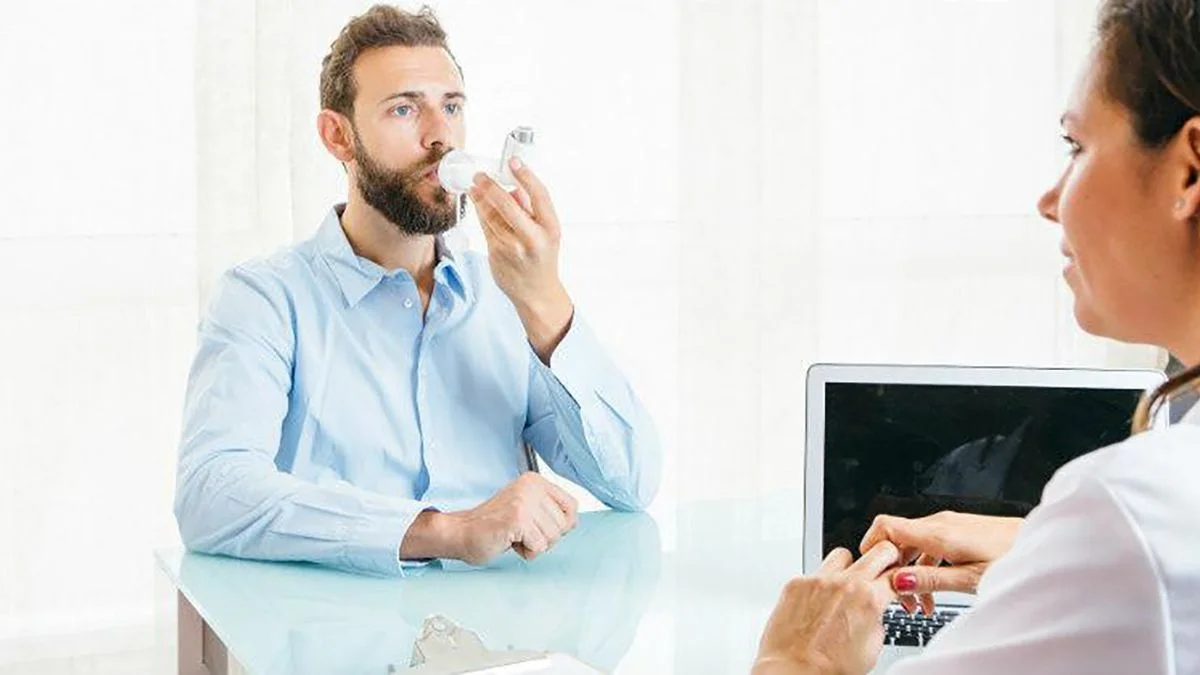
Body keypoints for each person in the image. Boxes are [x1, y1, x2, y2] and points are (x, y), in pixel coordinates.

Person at [754, 0, 1200, 672]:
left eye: (1075, 147)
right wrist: (1047, 550)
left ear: (1190, 170)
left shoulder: (1139, 505)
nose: (1051, 200)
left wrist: (798, 657)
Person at [173, 5, 661, 577]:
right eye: (405, 109)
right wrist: (447, 531)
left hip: (503, 642)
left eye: (451, 107)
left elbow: (631, 483)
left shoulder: (506, 296)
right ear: (337, 136)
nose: (440, 138)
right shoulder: (265, 300)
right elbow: (211, 493)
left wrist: (544, 299)